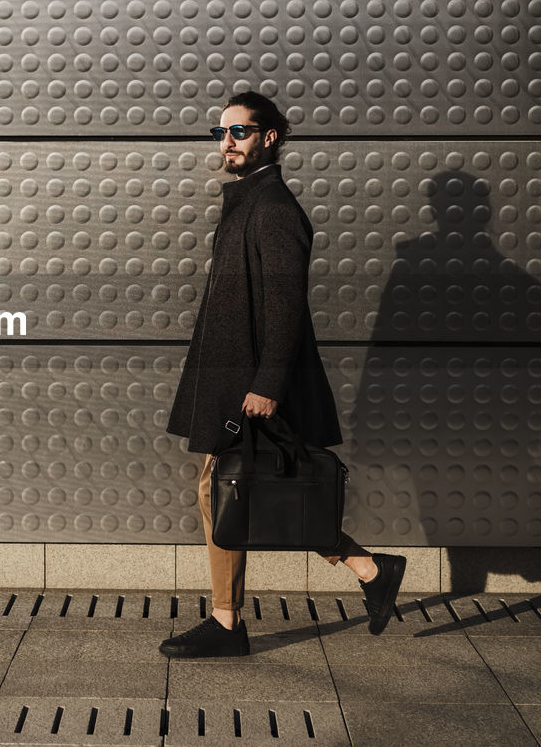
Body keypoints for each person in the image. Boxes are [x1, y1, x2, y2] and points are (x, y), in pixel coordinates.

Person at [161, 91, 407, 658]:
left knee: (230, 489)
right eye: (220, 133)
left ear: (269, 136)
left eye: (239, 132)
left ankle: (231, 621)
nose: (227, 142)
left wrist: (268, 383)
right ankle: (368, 570)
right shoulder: (248, 202)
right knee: (236, 489)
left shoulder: (272, 209)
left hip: (252, 382)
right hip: (238, 376)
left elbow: (286, 304)